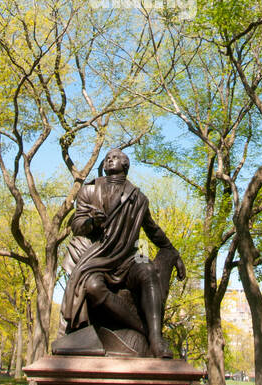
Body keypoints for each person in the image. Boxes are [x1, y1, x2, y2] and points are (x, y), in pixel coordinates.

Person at [60, 148, 185, 358]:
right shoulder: (89, 191)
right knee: (92, 287)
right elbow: (77, 225)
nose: (110, 159)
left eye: (115, 157)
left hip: (128, 256)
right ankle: (144, 330)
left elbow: (152, 229)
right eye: (107, 157)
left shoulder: (138, 198)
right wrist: (92, 222)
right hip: (98, 254)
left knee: (148, 270)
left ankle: (155, 340)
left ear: (125, 165)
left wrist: (173, 252)